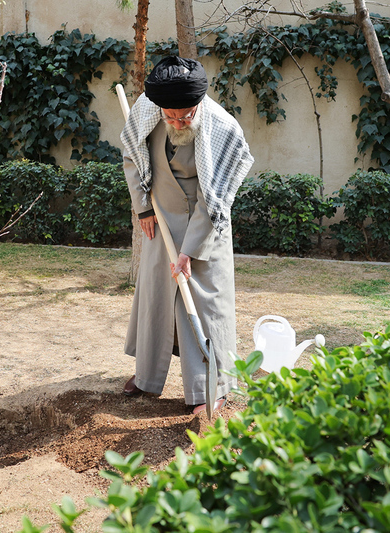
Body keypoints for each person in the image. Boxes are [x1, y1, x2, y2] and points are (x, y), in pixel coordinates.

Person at [120, 55, 254, 415]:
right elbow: (132, 158)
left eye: (185, 115)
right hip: (160, 223)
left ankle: (212, 388)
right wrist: (143, 208)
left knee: (205, 306)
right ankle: (148, 376)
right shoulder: (146, 113)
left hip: (204, 228)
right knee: (157, 298)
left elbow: (217, 199)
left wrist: (190, 251)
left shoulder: (223, 129)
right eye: (170, 116)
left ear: (199, 104)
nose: (177, 121)